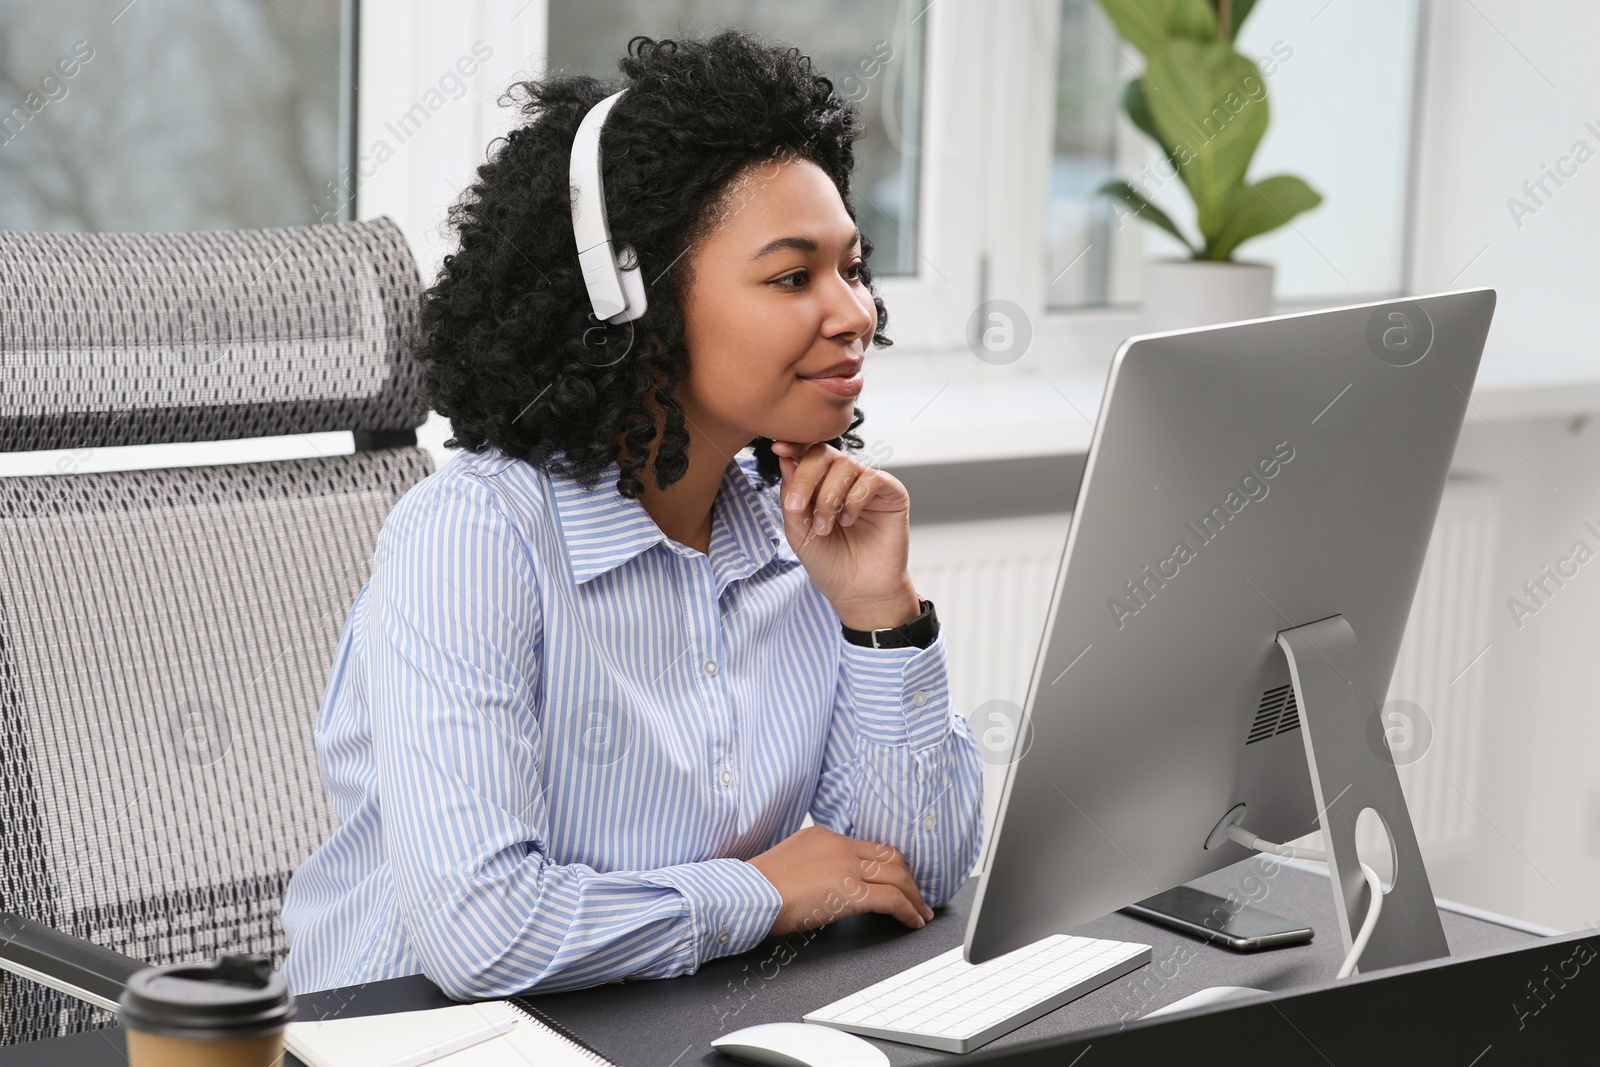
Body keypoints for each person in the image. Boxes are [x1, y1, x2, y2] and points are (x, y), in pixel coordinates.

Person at [280, 29, 984, 1000]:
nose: (855, 309)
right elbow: (482, 932)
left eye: (852, 268)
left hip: (673, 1022)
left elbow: (912, 875)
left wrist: (881, 612)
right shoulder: (475, 538)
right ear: (629, 299)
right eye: (793, 275)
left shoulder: (801, 536)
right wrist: (755, 893)